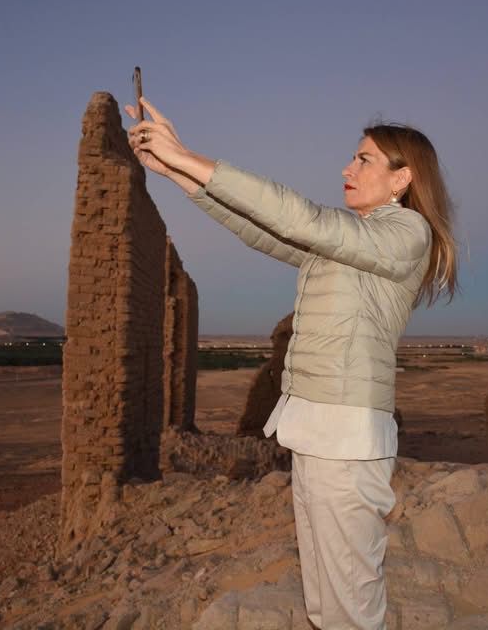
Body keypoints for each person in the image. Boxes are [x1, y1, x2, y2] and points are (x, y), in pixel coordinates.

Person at [125, 97, 457, 629]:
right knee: (325, 600)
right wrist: (176, 173)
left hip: (347, 443)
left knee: (351, 606)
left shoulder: (406, 233)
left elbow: (299, 216)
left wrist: (188, 155)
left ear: (402, 178)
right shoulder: (353, 244)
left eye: (364, 160)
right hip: (319, 437)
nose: (347, 169)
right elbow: (266, 229)